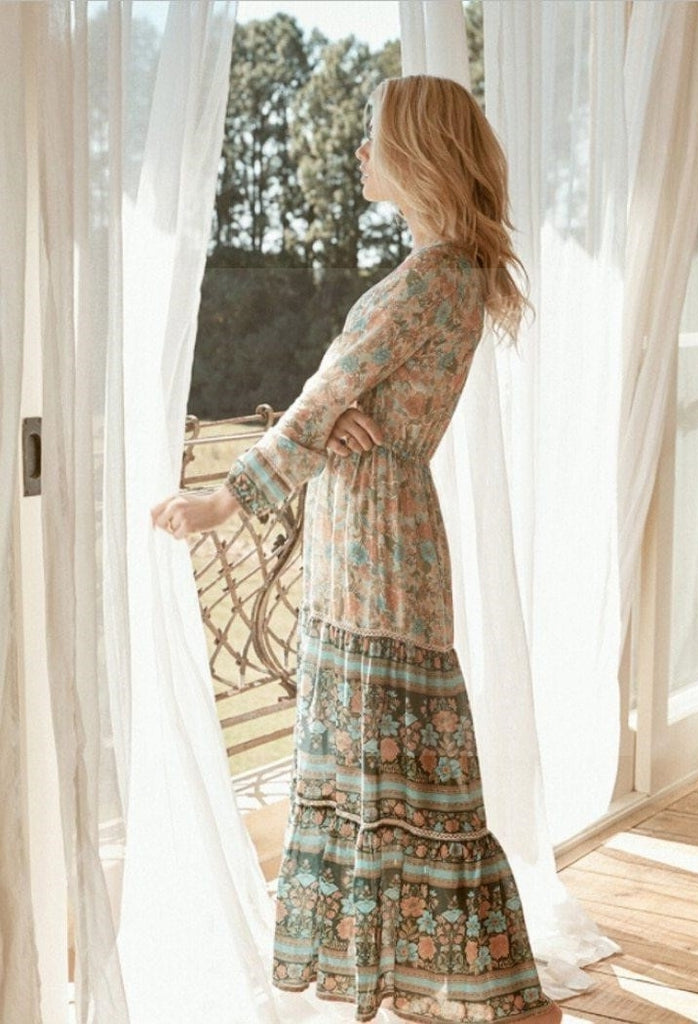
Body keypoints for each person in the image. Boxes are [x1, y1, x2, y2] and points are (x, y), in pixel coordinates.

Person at [153, 75, 561, 1024]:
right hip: (384, 530)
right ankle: (420, 984)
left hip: (374, 544)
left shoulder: (426, 280)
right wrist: (341, 418)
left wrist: (222, 501)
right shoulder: (453, 274)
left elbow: (323, 393)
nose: (359, 153)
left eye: (373, 138)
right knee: (404, 775)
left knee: (390, 769)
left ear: (417, 155)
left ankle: (471, 995)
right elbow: (341, 401)